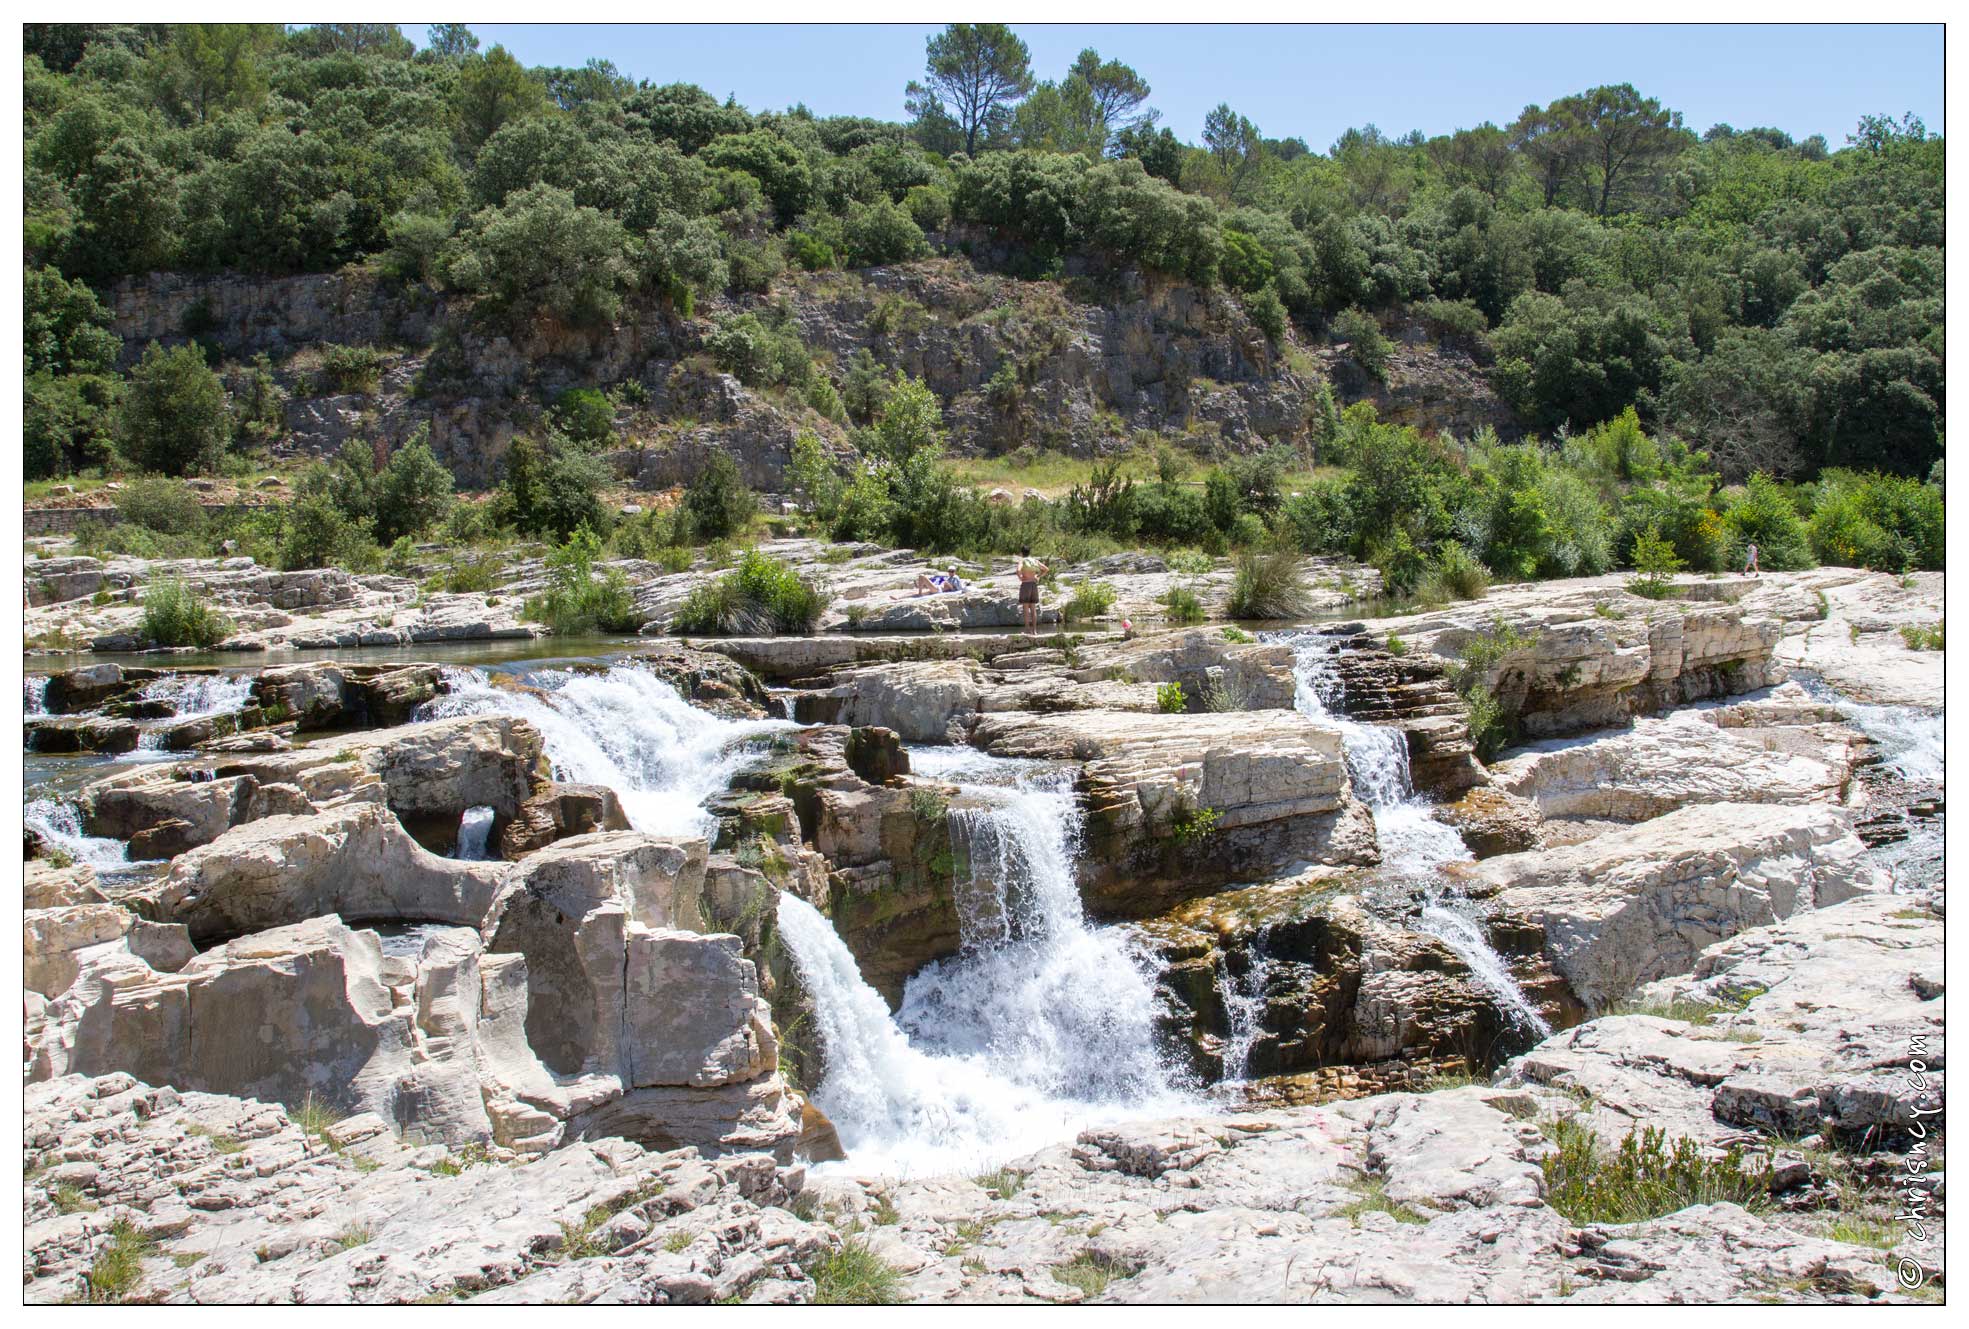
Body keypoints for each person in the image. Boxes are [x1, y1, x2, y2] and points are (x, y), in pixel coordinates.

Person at [1014, 546, 1048, 636]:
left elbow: (1018, 570)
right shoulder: (1034, 560)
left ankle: (1027, 630)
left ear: (1021, 553)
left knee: (1025, 609)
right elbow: (1046, 569)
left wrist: (1021, 578)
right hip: (1034, 585)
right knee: (1033, 609)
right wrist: (1038, 576)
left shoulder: (1022, 561)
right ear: (1029, 552)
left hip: (1026, 585)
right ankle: (1035, 631)